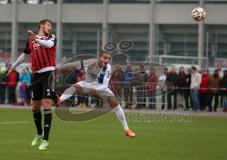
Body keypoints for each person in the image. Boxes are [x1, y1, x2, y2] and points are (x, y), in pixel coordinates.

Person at [56, 51, 136, 138]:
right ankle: (60, 99)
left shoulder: (108, 68)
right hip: (88, 84)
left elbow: (105, 85)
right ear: (99, 58)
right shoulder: (90, 62)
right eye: (105, 58)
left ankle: (127, 130)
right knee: (74, 87)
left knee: (116, 105)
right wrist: (61, 67)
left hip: (101, 87)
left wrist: (95, 90)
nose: (107, 60)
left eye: (108, 58)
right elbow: (75, 64)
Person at [8, 19, 57, 150]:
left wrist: (37, 39)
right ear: (42, 25)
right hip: (36, 76)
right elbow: (24, 55)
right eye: (48, 25)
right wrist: (13, 67)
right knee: (35, 107)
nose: (50, 28)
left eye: (50, 26)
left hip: (49, 73)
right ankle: (39, 133)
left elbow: (48, 44)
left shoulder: (51, 37)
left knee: (46, 104)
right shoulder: (31, 40)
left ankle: (46, 140)